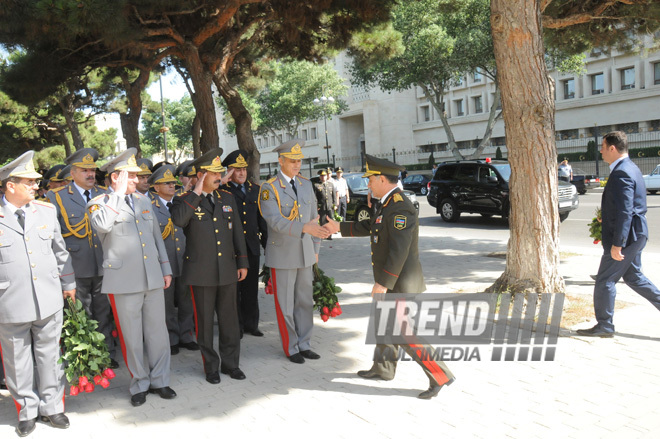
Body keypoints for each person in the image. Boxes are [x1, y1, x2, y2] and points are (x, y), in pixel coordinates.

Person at [324, 154, 455, 399]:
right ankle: (383, 369)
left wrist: (383, 283)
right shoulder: (385, 202)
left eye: (371, 179)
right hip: (391, 280)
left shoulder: (400, 206)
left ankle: (440, 374)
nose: (368, 183)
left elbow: (399, 250)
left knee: (403, 333)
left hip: (399, 282)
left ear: (382, 179)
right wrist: (337, 228)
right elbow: (370, 227)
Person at [87, 148, 176, 407]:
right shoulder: (98, 203)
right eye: (132, 177)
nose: (138, 181)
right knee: (132, 336)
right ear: (116, 177)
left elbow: (156, 237)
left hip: (152, 277)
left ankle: (161, 380)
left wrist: (165, 268)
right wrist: (116, 194)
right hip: (125, 281)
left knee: (158, 333)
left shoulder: (143, 201)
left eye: (137, 177)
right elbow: (103, 226)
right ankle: (140, 383)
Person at [0, 151, 76, 436]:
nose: (36, 186)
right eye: (29, 182)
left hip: (48, 297)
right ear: (11, 185)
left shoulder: (46, 211)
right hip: (9, 301)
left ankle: (52, 407)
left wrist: (68, 284)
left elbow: (60, 250)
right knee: (17, 361)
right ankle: (27, 411)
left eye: (36, 182)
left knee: (50, 356)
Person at [171, 148, 248, 385]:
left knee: (229, 321)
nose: (219, 176)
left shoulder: (227, 198)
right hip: (201, 273)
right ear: (201, 175)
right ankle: (211, 367)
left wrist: (242, 261)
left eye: (219, 172)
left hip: (227, 269)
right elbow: (179, 220)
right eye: (214, 173)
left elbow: (237, 233)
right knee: (204, 324)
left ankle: (231, 364)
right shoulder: (184, 200)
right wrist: (196, 192)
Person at [577, 131, 660, 337]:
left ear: (613, 148)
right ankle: (605, 325)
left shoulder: (622, 172)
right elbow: (627, 206)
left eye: (603, 147)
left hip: (627, 237)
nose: (601, 152)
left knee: (605, 280)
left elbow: (626, 211)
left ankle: (605, 326)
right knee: (634, 278)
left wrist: (618, 243)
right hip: (636, 233)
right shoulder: (630, 167)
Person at [258, 139, 329, 364]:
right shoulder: (270, 188)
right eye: (292, 161)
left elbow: (314, 219)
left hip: (306, 252)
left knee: (305, 301)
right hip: (283, 255)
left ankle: (305, 344)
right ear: (281, 161)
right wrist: (303, 228)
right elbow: (274, 221)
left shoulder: (307, 184)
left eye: (299, 160)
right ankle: (291, 347)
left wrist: (316, 248)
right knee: (285, 305)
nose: (297, 165)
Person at [47, 148, 118, 369]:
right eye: (85, 170)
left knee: (104, 312)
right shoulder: (56, 197)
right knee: (80, 314)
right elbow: (53, 239)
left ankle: (107, 353)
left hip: (104, 265)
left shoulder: (105, 194)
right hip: (76, 267)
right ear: (73, 173)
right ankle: (85, 358)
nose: (90, 174)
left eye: (92, 170)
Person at [148, 165, 197, 355]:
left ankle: (186, 335)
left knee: (186, 300)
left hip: (184, 259)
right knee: (166, 303)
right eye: (166, 183)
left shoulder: (181, 203)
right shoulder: (150, 206)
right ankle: (171, 338)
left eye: (173, 182)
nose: (172, 185)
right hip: (164, 262)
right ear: (155, 187)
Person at [221, 150, 268, 338]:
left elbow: (261, 221)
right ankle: (237, 325)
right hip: (230, 249)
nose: (241, 173)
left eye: (243, 169)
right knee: (234, 291)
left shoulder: (255, 190)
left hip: (251, 246)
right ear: (228, 171)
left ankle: (251, 324)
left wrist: (267, 245)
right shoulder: (222, 191)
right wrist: (221, 182)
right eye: (236, 169)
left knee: (250, 288)